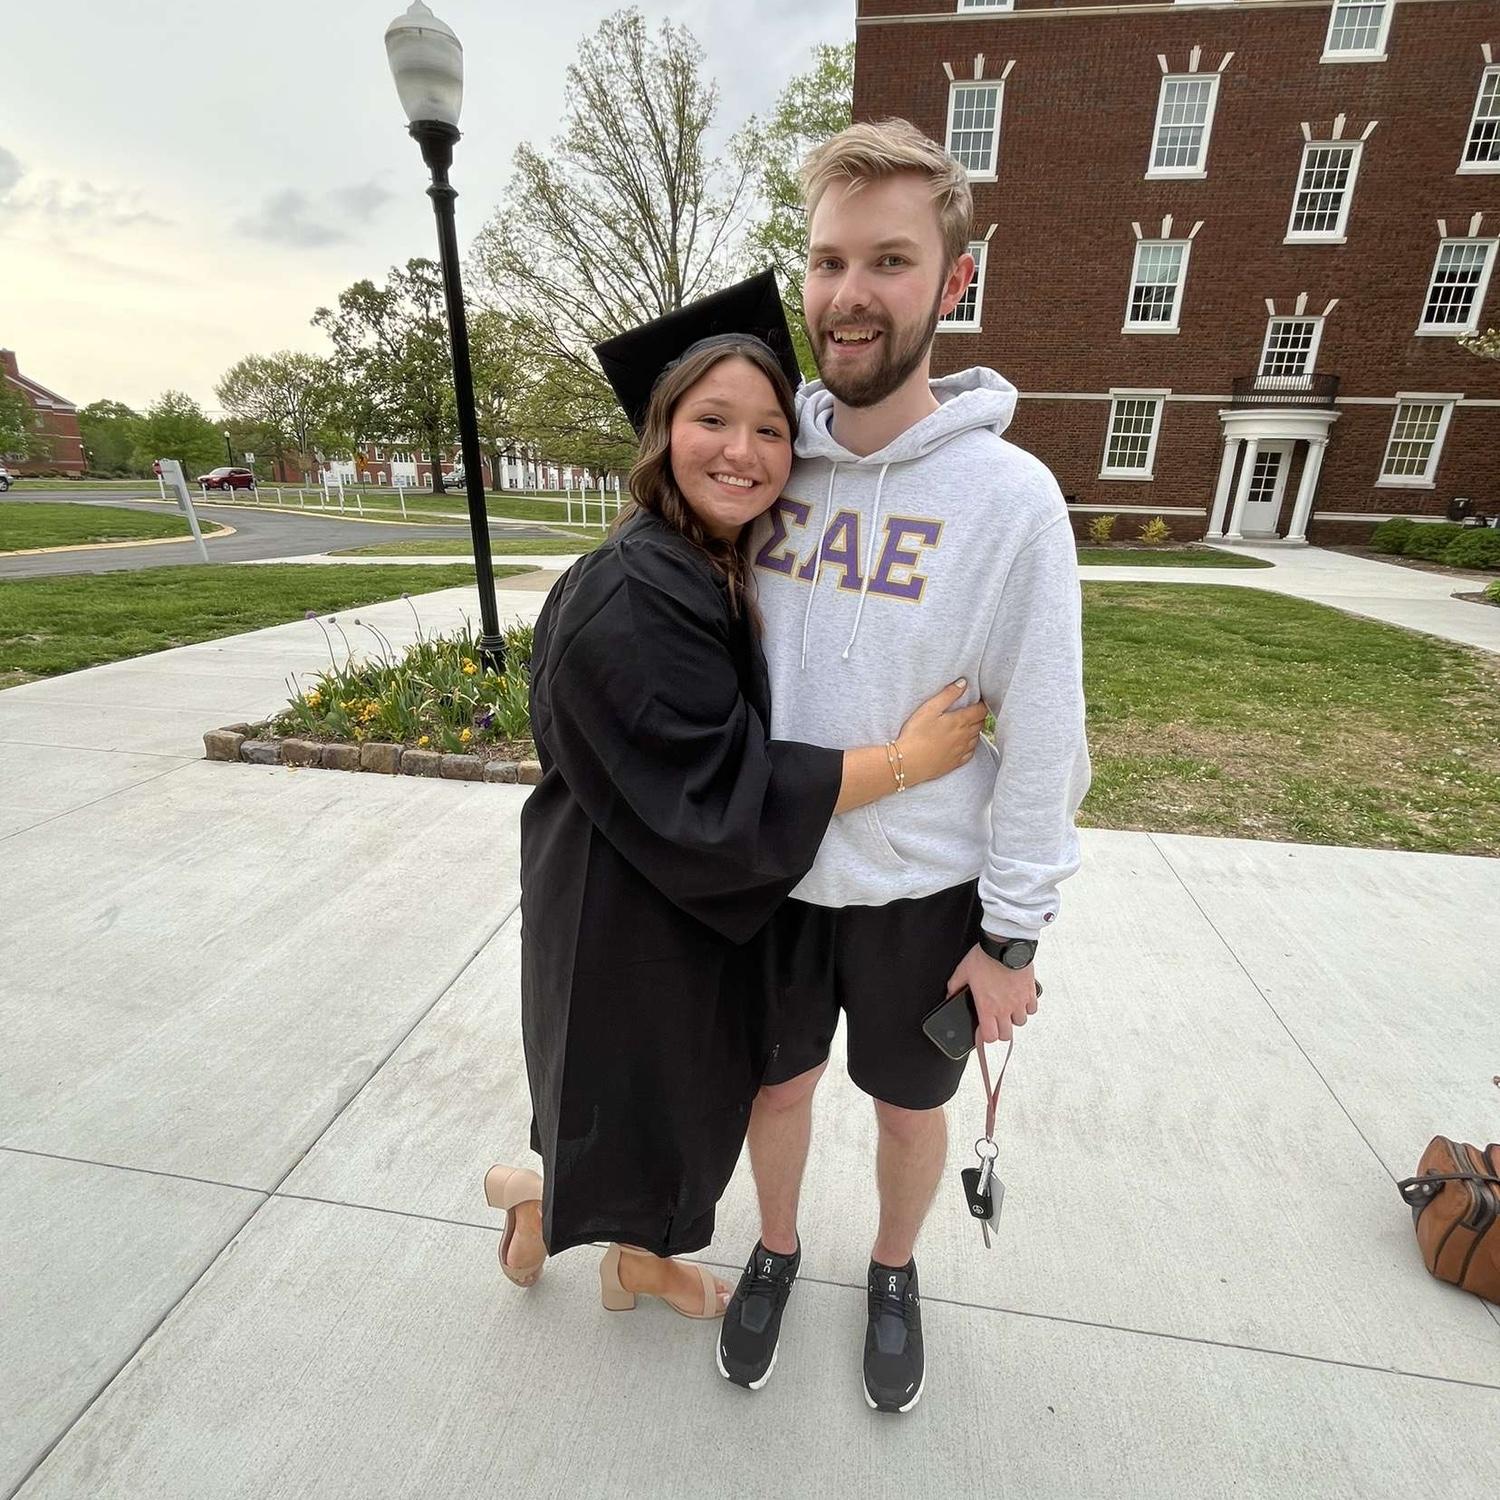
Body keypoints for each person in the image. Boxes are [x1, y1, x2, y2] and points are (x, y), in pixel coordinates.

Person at [484, 273, 989, 1321]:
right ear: (662, 430)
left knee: (683, 1108)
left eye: (769, 428)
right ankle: (536, 1200)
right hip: (625, 904)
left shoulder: (704, 557)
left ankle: (625, 1250)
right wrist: (902, 762)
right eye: (712, 420)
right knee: (638, 1108)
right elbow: (717, 784)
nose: (744, 451)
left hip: (672, 887)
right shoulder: (632, 588)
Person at [716, 121, 1092, 1411]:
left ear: (955, 281)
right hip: (769, 867)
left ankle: (891, 1268)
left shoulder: (1011, 499)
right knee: (774, 1091)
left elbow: (1047, 734)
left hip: (920, 890)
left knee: (905, 1110)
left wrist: (1015, 938)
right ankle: (773, 1251)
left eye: (889, 259)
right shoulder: (759, 462)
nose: (850, 294)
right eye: (827, 261)